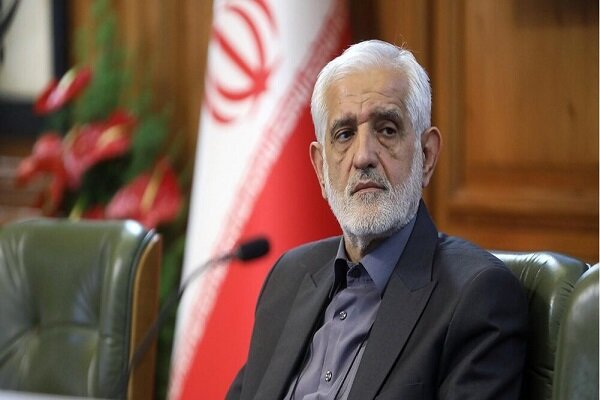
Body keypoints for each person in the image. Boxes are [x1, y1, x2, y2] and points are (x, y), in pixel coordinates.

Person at [226, 40, 528, 400]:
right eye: (344, 134)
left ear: (427, 156)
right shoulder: (289, 277)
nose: (363, 156)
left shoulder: (477, 297)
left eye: (386, 130)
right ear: (321, 169)